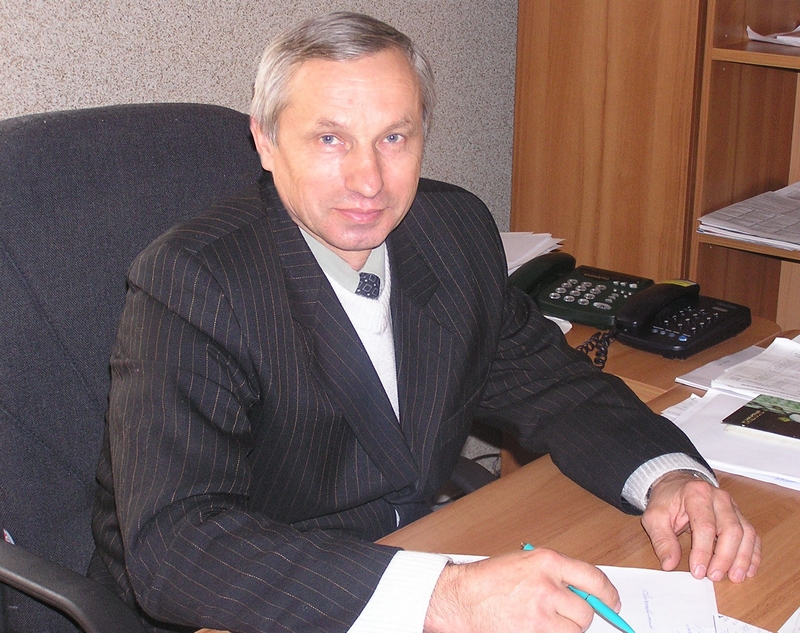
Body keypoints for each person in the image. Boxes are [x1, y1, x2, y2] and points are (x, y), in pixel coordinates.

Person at [89, 11, 761, 633]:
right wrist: (442, 595)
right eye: (330, 138)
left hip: (417, 553)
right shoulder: (193, 281)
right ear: (265, 141)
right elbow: (176, 547)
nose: (368, 180)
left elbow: (554, 386)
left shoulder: (451, 231)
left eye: (394, 137)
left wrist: (668, 475)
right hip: (256, 604)